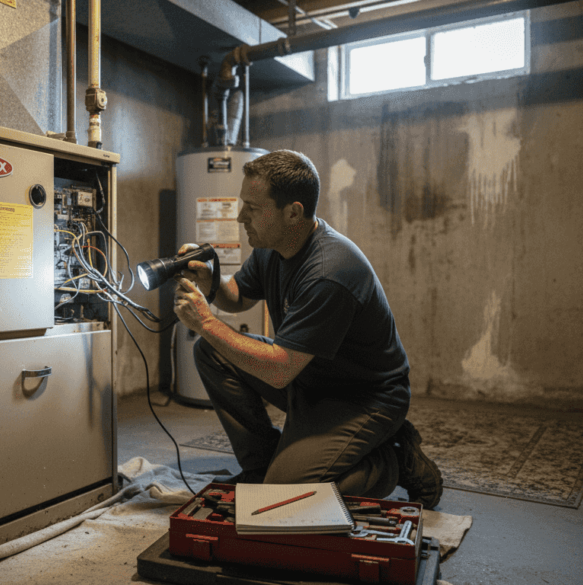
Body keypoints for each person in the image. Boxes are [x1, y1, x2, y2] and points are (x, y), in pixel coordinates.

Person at [172, 149, 443, 508]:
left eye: (252, 208)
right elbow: (237, 295)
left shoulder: (330, 271)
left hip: (363, 399)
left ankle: (394, 459)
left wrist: (205, 322)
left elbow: (280, 368)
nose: (240, 217)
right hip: (311, 378)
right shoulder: (274, 244)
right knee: (210, 351)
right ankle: (260, 467)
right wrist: (210, 282)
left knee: (285, 499)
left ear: (293, 213)